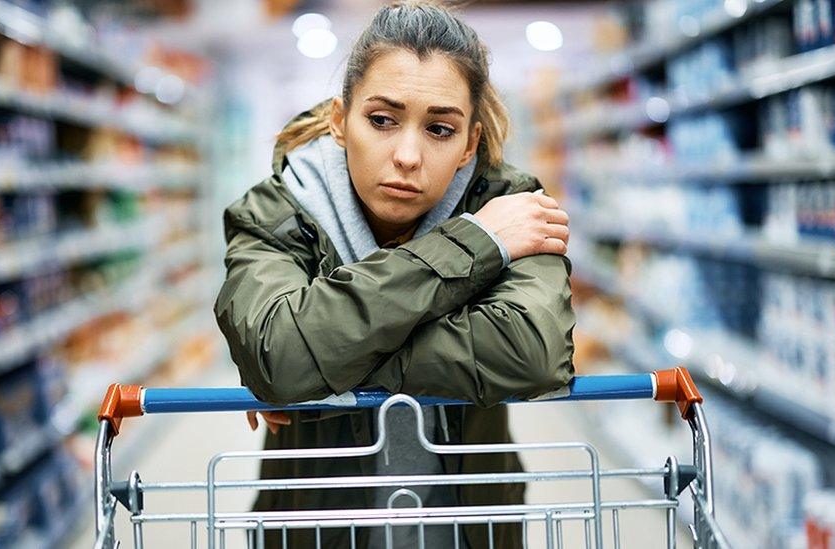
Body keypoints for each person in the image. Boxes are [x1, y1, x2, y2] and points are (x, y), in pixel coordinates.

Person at [213, 1, 575, 546]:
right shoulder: (275, 213)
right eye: (381, 120)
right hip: (318, 527)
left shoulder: (512, 206)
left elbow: (532, 352)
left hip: (470, 524)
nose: (407, 154)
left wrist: (321, 360)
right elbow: (278, 353)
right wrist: (476, 243)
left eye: (439, 129)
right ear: (340, 121)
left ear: (469, 144)